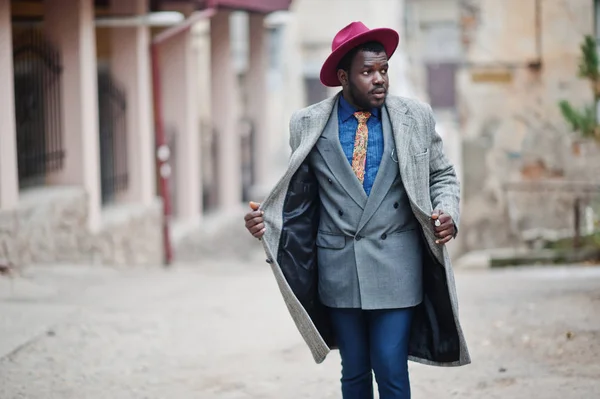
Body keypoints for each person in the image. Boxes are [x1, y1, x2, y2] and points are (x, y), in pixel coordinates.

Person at [243, 21, 470, 399]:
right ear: (343, 77)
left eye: (383, 70)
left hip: (397, 265)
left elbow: (443, 175)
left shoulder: (415, 117)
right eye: (368, 72)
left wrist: (447, 212)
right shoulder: (307, 123)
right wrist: (266, 220)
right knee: (354, 372)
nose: (379, 79)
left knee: (390, 366)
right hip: (339, 268)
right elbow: (298, 193)